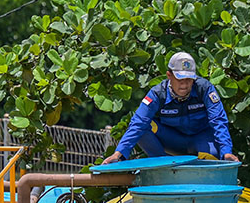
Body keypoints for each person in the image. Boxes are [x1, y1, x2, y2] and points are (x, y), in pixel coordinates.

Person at [101, 51, 240, 165]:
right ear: (169, 76)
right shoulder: (157, 94)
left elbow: (218, 120)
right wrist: (119, 154)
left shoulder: (205, 88)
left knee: (213, 157)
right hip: (174, 140)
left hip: (201, 138)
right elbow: (137, 123)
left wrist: (226, 151)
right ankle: (163, 166)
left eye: (189, 79)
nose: (184, 85)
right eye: (180, 79)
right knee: (143, 126)